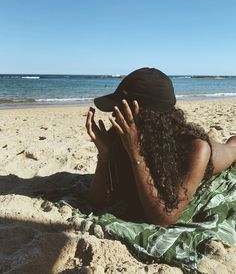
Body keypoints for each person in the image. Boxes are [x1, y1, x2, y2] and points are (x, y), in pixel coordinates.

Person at [86, 67, 236, 226]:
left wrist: (136, 154)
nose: (115, 115)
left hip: (218, 153)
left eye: (121, 109)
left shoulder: (196, 148)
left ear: (144, 115)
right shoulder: (126, 133)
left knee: (232, 147)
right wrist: (104, 155)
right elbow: (98, 201)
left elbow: (164, 219)